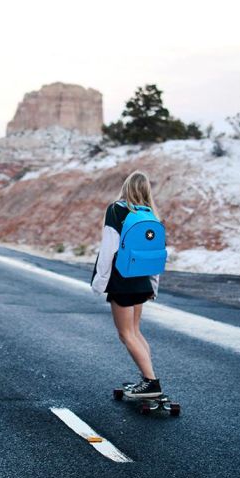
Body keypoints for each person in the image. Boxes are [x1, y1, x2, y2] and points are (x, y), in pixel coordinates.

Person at [91, 170, 162, 398]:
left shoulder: (116, 210)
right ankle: (147, 379)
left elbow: (108, 249)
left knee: (126, 334)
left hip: (122, 281)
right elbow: (155, 254)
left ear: (126, 187)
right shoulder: (150, 215)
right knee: (135, 331)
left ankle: (151, 382)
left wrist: (99, 282)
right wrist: (153, 286)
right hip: (141, 281)